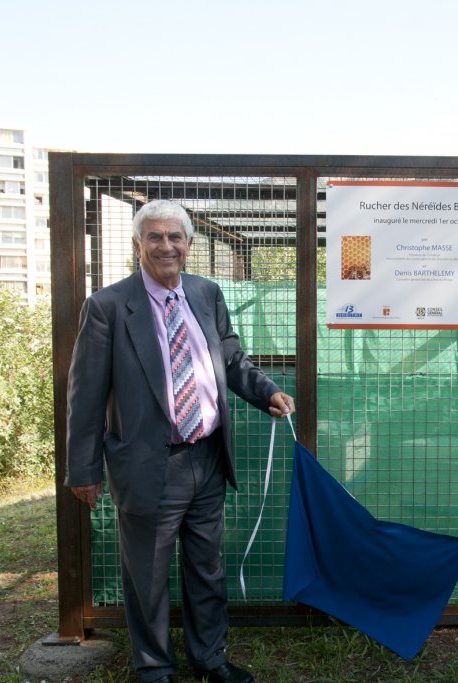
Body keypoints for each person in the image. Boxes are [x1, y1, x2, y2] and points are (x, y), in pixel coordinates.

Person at [66, 199, 295, 683]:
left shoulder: (207, 294)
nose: (165, 246)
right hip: (149, 465)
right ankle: (154, 669)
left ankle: (210, 660)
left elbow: (231, 358)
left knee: (206, 568)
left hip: (207, 458)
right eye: (154, 237)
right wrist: (82, 470)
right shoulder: (108, 307)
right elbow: (85, 397)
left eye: (175, 237)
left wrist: (267, 391)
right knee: (147, 577)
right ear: (137, 245)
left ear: (189, 245)